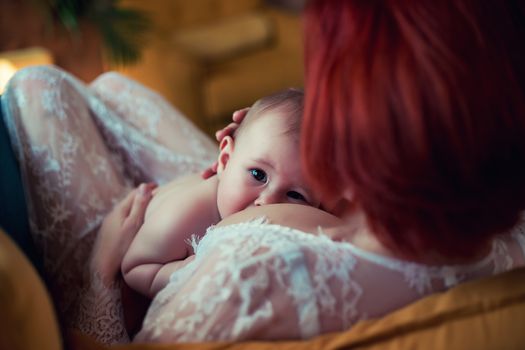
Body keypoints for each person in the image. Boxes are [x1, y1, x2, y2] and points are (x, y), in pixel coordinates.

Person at [1, 0, 524, 345]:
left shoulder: (243, 283)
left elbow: (133, 313)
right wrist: (274, 135)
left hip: (136, 235)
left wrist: (99, 273)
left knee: (39, 87)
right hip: (216, 182)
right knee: (112, 90)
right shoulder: (505, 226)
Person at [121, 88, 320, 298]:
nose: (268, 203)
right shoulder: (188, 214)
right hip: (142, 231)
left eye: (296, 195)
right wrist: (188, 271)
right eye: (258, 174)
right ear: (225, 160)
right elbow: (134, 268)